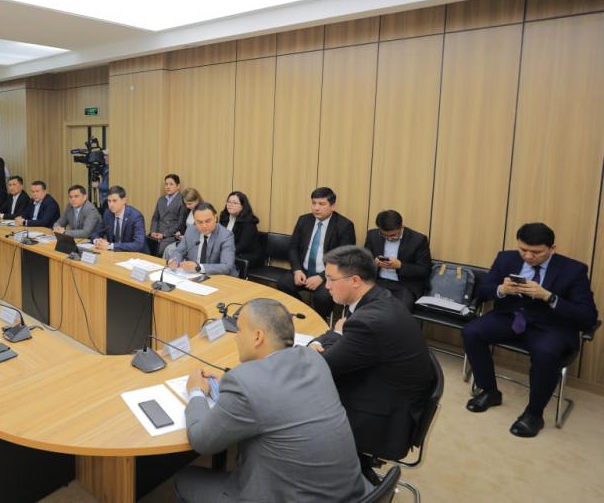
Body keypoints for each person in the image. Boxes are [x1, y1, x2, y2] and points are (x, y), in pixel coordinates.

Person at [175, 298, 368, 503]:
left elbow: (201, 441)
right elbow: (276, 391)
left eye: (239, 330)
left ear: (257, 336)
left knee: (186, 479)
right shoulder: (313, 359)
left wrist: (196, 391)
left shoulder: (244, 384)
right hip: (353, 493)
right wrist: (229, 382)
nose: (236, 338)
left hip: (292, 498)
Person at [309, 245, 434, 479]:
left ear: (355, 280)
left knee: (302, 400)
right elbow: (342, 337)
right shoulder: (379, 298)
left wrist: (332, 337)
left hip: (385, 419)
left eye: (331, 279)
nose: (326, 286)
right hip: (393, 393)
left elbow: (322, 366)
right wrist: (334, 337)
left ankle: (338, 475)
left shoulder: (369, 321)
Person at [463, 223, 598, 438]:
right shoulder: (506, 258)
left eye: (536, 252)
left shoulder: (573, 270)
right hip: (510, 317)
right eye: (523, 249)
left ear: (552, 249)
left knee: (546, 353)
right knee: (472, 332)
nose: (528, 256)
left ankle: (534, 413)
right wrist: (501, 289)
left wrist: (549, 297)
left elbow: (588, 316)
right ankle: (489, 391)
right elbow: (483, 289)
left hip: (550, 326)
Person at [279, 187, 357, 320]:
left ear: (332, 206)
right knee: (283, 284)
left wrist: (322, 276)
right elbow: (293, 247)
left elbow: (345, 258)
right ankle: (302, 313)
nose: (316, 208)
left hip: (329, 274)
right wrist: (297, 270)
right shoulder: (304, 220)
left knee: (323, 297)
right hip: (303, 270)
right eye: (314, 203)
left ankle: (318, 320)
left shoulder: (344, 225)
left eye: (321, 204)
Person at [363, 210, 433, 311]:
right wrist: (374, 262)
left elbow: (425, 270)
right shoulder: (372, 235)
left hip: (405, 286)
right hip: (377, 282)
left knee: (398, 312)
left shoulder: (418, 240)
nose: (389, 239)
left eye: (393, 235)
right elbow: (363, 260)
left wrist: (400, 265)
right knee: (360, 305)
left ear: (401, 226)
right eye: (385, 235)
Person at [167, 202, 237, 276]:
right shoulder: (190, 230)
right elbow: (179, 251)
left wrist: (199, 268)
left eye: (208, 221)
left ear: (215, 218)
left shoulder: (226, 236)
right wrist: (175, 260)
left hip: (217, 277)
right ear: (194, 221)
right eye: (199, 222)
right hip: (192, 275)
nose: (204, 226)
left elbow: (226, 266)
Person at [92, 186, 147, 253]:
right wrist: (97, 241)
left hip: (136, 255)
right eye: (109, 201)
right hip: (115, 254)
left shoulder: (135, 216)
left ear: (124, 200)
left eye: (114, 201)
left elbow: (138, 244)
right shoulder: (108, 213)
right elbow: (95, 232)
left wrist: (110, 246)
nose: (111, 205)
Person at [219, 190, 264, 271]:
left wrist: (225, 252)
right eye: (229, 202)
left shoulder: (249, 222)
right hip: (231, 252)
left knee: (225, 261)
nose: (230, 205)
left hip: (247, 255)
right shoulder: (224, 217)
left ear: (243, 206)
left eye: (235, 203)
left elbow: (242, 245)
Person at [149, 174, 189, 255]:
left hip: (171, 235)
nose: (168, 187)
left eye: (171, 184)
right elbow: (155, 218)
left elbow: (180, 223)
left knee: (158, 250)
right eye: (166, 184)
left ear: (178, 186)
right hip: (157, 233)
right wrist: (153, 231)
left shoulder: (182, 200)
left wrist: (164, 234)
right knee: (144, 246)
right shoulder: (161, 199)